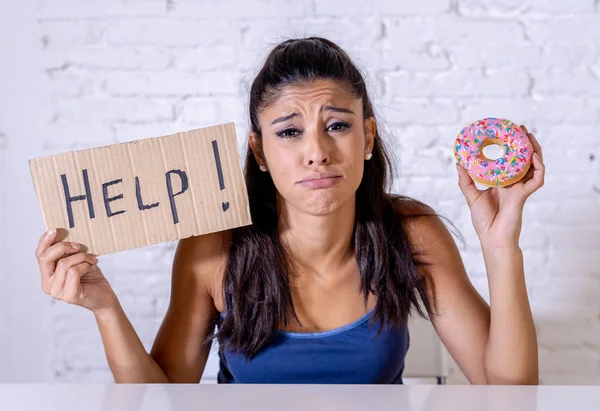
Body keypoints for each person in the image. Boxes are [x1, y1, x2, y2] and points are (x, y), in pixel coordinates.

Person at [35, 37, 544, 384]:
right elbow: (161, 399)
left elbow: (509, 395)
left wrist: (501, 247)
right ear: (260, 151)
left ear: (367, 136)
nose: (316, 151)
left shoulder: (411, 234)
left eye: (338, 126)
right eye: (289, 131)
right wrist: (104, 306)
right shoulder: (214, 247)